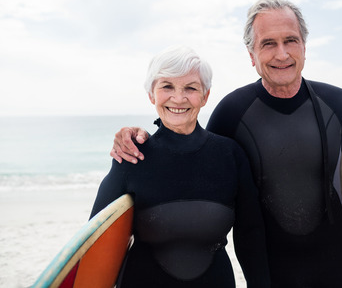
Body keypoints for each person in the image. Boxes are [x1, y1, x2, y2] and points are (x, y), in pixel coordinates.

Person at [111, 0, 342, 287]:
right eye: (268, 43)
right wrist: (137, 138)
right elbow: (190, 157)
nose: (281, 54)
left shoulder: (339, 104)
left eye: (290, 41)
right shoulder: (232, 112)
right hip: (270, 274)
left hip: (338, 272)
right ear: (251, 54)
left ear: (304, 47)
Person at [90, 45, 270, 288]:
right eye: (167, 86)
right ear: (151, 95)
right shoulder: (132, 156)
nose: (178, 97)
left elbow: (251, 235)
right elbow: (96, 240)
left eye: (190, 88)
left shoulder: (230, 155)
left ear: (205, 96)